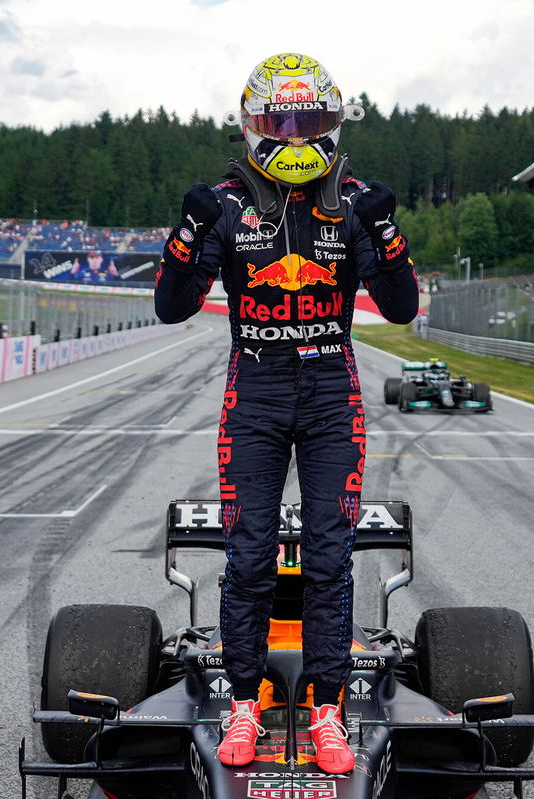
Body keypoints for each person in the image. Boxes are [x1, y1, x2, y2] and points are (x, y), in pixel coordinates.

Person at [154, 52, 418, 775]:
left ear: (336, 123)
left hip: (334, 389)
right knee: (249, 553)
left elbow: (401, 308)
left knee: (331, 556)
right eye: (282, 121)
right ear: (252, 126)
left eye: (311, 121)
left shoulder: (357, 201)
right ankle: (245, 704)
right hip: (257, 390)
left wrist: (388, 238)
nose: (298, 136)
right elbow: (171, 305)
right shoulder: (224, 202)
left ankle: (327, 713)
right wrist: (184, 237)